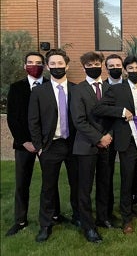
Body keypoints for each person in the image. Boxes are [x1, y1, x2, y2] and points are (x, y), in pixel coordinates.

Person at [93, 55, 137, 233]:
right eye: (131, 68)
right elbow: (98, 109)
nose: (135, 71)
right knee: (127, 180)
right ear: (125, 70)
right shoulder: (117, 90)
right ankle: (127, 218)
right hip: (127, 141)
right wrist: (120, 111)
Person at [28, 49, 79, 242]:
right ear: (48, 67)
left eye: (60, 64)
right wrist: (39, 146)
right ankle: (46, 224)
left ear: (67, 65)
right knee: (48, 187)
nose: (57, 67)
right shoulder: (39, 91)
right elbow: (33, 121)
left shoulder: (77, 89)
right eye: (53, 64)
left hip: (74, 144)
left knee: (77, 184)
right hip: (50, 146)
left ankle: (79, 216)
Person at [6, 52, 54, 236]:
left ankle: (54, 215)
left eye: (38, 63)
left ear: (44, 66)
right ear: (24, 65)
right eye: (30, 62)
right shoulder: (17, 88)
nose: (34, 65)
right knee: (22, 182)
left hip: (47, 144)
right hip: (24, 144)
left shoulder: (51, 85)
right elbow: (13, 118)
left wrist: (43, 142)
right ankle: (20, 220)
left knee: (50, 181)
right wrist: (24, 141)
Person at [70, 51, 113, 243]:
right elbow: (79, 120)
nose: (94, 66)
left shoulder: (109, 88)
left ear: (102, 64)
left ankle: (103, 218)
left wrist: (109, 135)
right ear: (84, 67)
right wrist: (98, 138)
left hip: (107, 144)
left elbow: (113, 115)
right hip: (86, 145)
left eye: (97, 63)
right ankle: (88, 226)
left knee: (105, 184)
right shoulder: (78, 90)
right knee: (85, 188)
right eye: (90, 64)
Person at [104, 54, 124, 220]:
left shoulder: (130, 85)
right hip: (107, 136)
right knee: (107, 173)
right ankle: (107, 210)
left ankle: (132, 200)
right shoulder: (102, 87)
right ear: (106, 68)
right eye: (112, 66)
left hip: (127, 136)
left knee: (129, 173)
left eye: (118, 65)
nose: (115, 68)